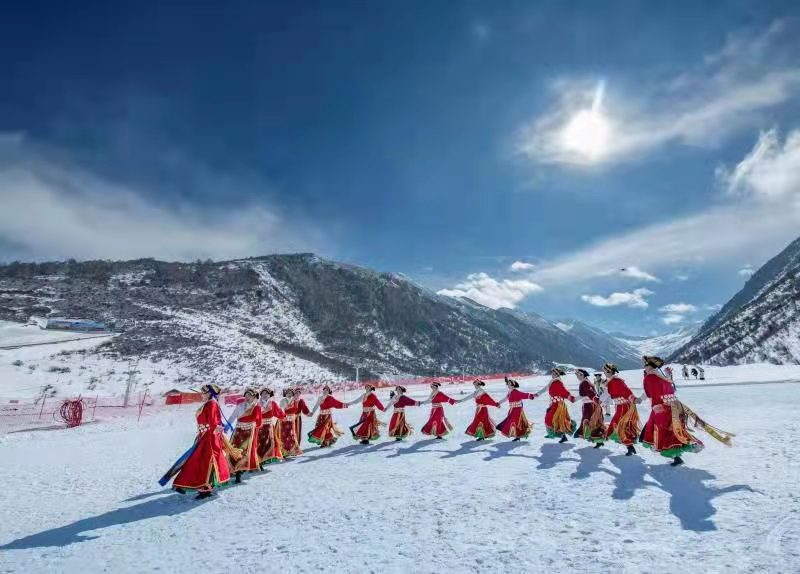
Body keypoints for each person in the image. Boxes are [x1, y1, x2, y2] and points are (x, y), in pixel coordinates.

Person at [171, 384, 239, 499]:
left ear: (210, 393)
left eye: (204, 393)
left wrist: (210, 437)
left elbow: (213, 424)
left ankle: (205, 488)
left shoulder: (211, 403)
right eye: (202, 393)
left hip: (208, 438)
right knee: (197, 461)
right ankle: (192, 485)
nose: (202, 395)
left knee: (204, 462)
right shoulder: (208, 404)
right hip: (204, 436)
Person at [638, 356, 704, 466]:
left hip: (660, 409)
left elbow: (649, 394)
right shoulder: (664, 377)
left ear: (649, 366)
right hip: (673, 407)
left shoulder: (649, 378)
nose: (644, 368)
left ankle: (680, 453)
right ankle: (682, 453)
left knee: (662, 431)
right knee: (673, 430)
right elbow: (670, 390)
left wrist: (640, 398)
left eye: (645, 365)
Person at [601, 363, 640, 456]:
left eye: (605, 371)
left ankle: (630, 446)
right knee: (620, 425)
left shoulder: (617, 381)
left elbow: (626, 391)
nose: (604, 372)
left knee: (618, 425)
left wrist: (633, 398)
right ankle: (630, 446)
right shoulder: (611, 381)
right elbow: (608, 394)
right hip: (620, 406)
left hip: (625, 406)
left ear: (609, 371)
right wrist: (600, 401)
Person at [228, 387, 263, 482]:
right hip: (238, 431)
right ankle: (232, 469)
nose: (247, 397)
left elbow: (259, 422)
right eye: (246, 395)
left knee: (244, 451)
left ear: (254, 397)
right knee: (234, 449)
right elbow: (233, 416)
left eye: (250, 396)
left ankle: (240, 471)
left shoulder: (257, 407)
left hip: (249, 432)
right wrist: (228, 424)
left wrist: (257, 431)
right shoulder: (240, 406)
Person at [533, 367, 576, 443]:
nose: (553, 374)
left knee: (550, 419)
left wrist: (569, 397)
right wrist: (537, 394)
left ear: (558, 374)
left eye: (555, 373)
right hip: (554, 404)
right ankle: (561, 436)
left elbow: (564, 391)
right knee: (558, 421)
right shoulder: (552, 382)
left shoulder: (558, 382)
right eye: (552, 373)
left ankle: (553, 434)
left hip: (559, 405)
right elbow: (545, 388)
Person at [573, 369, 606, 447]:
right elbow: (585, 394)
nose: (578, 376)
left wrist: (595, 399)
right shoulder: (586, 382)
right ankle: (599, 440)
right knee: (594, 422)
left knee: (587, 421)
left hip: (589, 405)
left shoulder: (585, 382)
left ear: (584, 375)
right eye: (577, 374)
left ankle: (583, 433)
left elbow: (589, 393)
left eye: (580, 374)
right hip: (589, 404)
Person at [257, 388, 286, 467]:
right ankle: (260, 459)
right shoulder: (257, 403)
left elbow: (278, 411)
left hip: (269, 425)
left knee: (270, 442)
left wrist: (283, 416)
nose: (265, 395)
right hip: (260, 426)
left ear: (270, 395)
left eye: (267, 394)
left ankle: (267, 458)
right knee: (260, 442)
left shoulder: (272, 403)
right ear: (261, 395)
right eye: (263, 393)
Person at [279, 388, 303, 458]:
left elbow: (295, 409)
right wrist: (284, 415)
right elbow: (281, 409)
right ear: (285, 394)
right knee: (284, 435)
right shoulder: (283, 400)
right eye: (287, 393)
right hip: (285, 420)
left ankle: (293, 450)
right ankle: (284, 451)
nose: (289, 394)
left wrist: (290, 411)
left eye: (290, 393)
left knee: (292, 435)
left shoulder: (294, 401)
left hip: (292, 420)